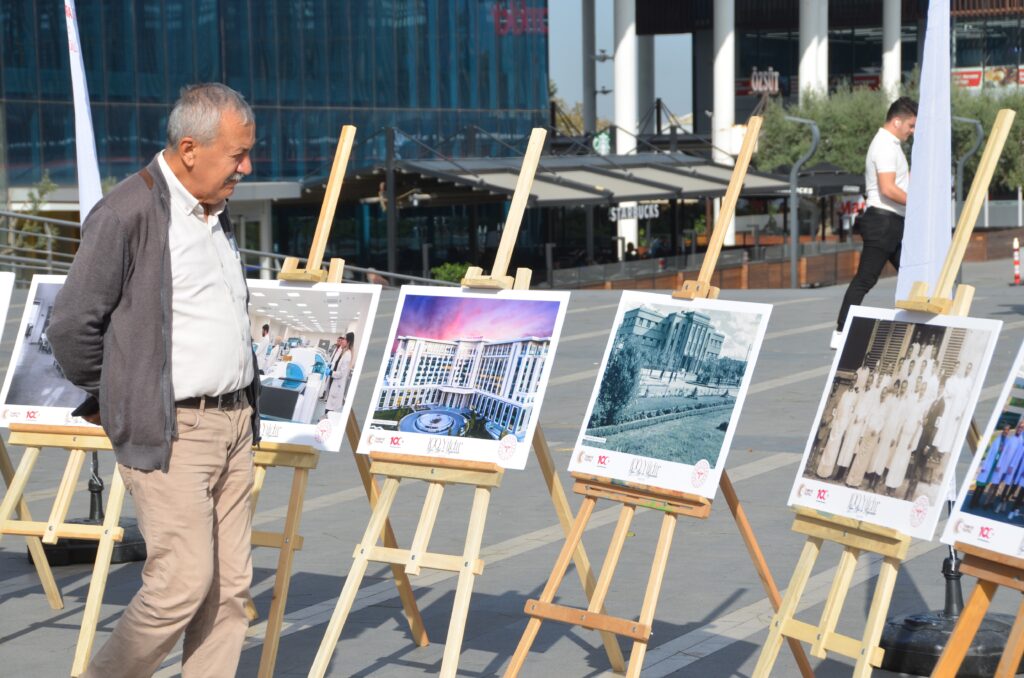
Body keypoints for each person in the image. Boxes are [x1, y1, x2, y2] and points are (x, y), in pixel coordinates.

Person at [47, 83, 260, 678]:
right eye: (237, 155)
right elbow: (70, 326)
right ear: (189, 148)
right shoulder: (127, 212)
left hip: (235, 424)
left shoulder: (212, 213)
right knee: (181, 584)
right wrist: (116, 393)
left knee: (230, 588)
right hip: (174, 430)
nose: (247, 166)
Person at [832, 97, 918, 349]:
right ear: (897, 120)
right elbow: (888, 189)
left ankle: (918, 327)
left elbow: (900, 183)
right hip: (883, 222)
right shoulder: (884, 146)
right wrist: (917, 205)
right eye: (911, 126)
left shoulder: (892, 145)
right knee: (866, 278)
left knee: (913, 276)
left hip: (891, 221)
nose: (911, 132)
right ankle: (841, 331)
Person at [325, 332, 355, 413]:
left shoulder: (347, 354)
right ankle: (325, 419)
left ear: (348, 341)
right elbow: (336, 363)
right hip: (333, 380)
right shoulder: (343, 352)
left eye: (344, 339)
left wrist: (330, 372)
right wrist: (330, 367)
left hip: (337, 383)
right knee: (329, 403)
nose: (342, 341)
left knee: (331, 406)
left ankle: (325, 421)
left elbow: (341, 373)